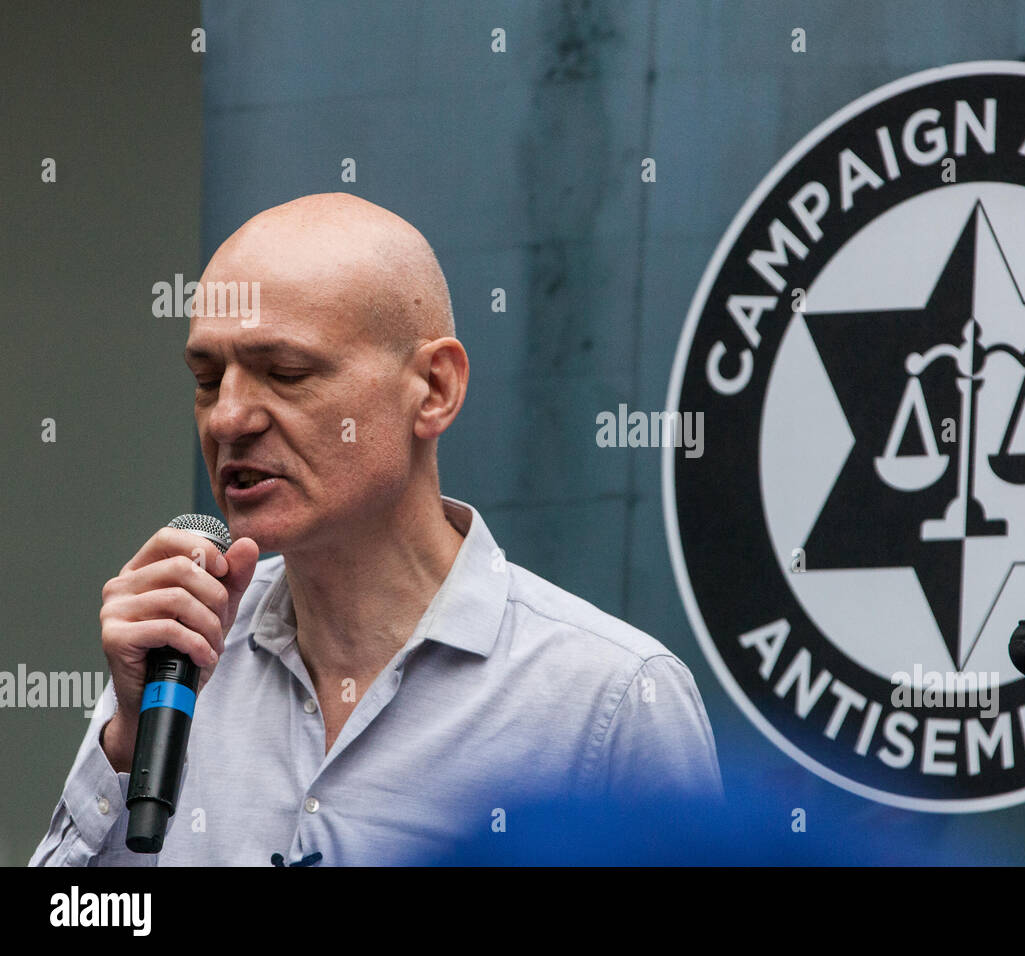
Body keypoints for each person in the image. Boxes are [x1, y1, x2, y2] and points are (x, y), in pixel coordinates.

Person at [30, 193, 723, 866]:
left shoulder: (610, 701)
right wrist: (123, 744)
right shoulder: (180, 662)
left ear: (435, 388)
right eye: (208, 379)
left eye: (287, 372)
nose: (228, 419)